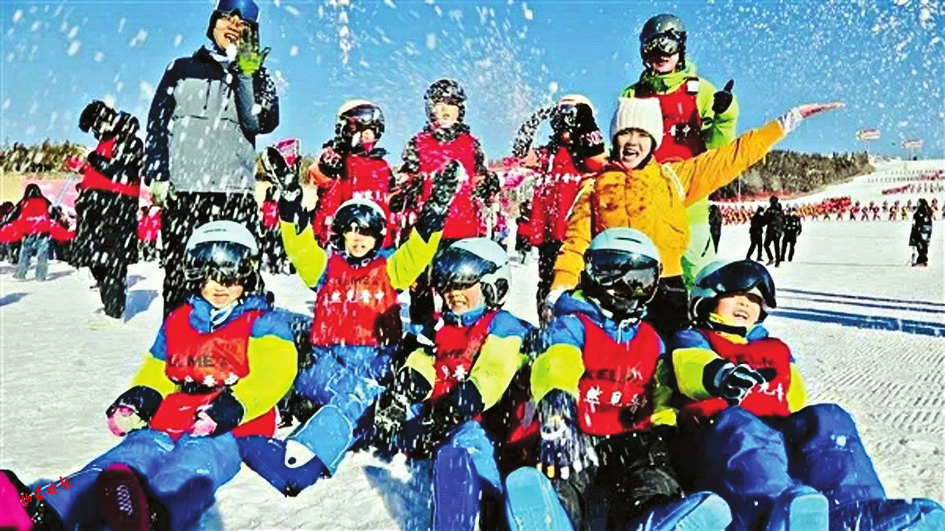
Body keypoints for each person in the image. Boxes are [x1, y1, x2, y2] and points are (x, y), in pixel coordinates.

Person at [0, 220, 298, 531]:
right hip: (174, 413)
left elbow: (275, 374)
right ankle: (44, 506)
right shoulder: (180, 320)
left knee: (192, 467)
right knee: (125, 457)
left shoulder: (264, 323)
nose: (219, 285)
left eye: (231, 275)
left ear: (248, 273)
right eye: (209, 274)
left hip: (231, 428)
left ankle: (154, 514)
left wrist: (235, 406)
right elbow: (157, 369)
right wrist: (141, 397)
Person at [237, 156, 461, 496]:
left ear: (378, 236)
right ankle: (301, 459)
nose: (357, 239)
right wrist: (292, 200)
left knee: (377, 401)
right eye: (351, 231)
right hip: (325, 362)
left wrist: (436, 209)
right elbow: (299, 245)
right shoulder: (326, 269)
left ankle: (402, 433)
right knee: (361, 397)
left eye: (366, 232)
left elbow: (418, 249)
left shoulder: (392, 269)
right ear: (339, 235)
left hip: (376, 361)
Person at [668, 259, 945, 530]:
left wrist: (805, 430)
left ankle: (853, 511)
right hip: (716, 439)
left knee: (828, 418)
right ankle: (769, 513)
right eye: (735, 295)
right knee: (743, 425)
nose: (745, 304)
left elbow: (794, 399)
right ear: (705, 299)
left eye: (754, 300)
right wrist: (719, 375)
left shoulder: (775, 349)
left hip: (771, 434)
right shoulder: (695, 338)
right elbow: (690, 366)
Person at [548, 97, 842, 339]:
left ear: (654, 141)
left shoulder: (673, 178)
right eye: (625, 133)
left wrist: (786, 122)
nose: (632, 142)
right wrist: (559, 287)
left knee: (667, 368)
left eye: (642, 134)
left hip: (665, 292)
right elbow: (575, 244)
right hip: (610, 292)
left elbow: (732, 157)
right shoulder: (595, 186)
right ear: (614, 137)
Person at [505, 228, 731, 531]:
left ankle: (654, 519)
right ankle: (552, 518)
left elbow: (661, 390)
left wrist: (664, 427)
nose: (624, 288)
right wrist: (558, 408)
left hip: (632, 436)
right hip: (577, 430)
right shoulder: (573, 326)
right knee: (564, 472)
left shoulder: (651, 339)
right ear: (590, 274)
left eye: (640, 280)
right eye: (610, 274)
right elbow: (557, 363)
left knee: (651, 476)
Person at [369, 238, 536, 531]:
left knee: (465, 447)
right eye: (447, 285)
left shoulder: (502, 327)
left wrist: (460, 403)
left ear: (492, 286)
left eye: (463, 284)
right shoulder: (444, 328)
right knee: (418, 432)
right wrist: (404, 390)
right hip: (446, 420)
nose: (453, 293)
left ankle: (488, 506)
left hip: (491, 425)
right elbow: (426, 361)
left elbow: (494, 371)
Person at [145, 0, 279, 319]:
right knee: (181, 278)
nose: (233, 26)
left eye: (243, 24)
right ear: (213, 22)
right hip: (185, 193)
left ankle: (242, 343)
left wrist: (247, 74)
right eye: (227, 18)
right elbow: (157, 123)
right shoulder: (180, 69)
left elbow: (260, 123)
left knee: (240, 279)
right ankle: (176, 344)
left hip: (235, 195)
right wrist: (158, 173)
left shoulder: (259, 77)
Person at [621, 13, 739, 290]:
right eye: (654, 47)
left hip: (690, 204)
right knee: (642, 280)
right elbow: (621, 150)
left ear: (681, 49)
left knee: (698, 278)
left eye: (669, 46)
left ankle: (699, 316)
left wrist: (725, 116)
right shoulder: (632, 95)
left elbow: (717, 150)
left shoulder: (701, 91)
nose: (662, 55)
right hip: (644, 205)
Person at [391, 78, 501, 328]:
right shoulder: (419, 142)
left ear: (460, 110)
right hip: (426, 231)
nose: (444, 110)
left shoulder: (470, 144)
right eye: (438, 105)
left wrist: (488, 184)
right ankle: (422, 333)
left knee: (457, 290)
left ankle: (457, 334)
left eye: (450, 105)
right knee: (421, 289)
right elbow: (404, 178)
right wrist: (409, 187)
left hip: (462, 232)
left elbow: (479, 178)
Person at [511, 94, 607, 314]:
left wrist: (587, 124)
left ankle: (577, 325)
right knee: (547, 285)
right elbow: (520, 153)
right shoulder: (549, 155)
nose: (565, 122)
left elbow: (598, 160)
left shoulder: (587, 156)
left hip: (577, 236)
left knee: (577, 287)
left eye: (572, 116)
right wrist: (534, 121)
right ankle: (547, 325)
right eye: (560, 116)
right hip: (549, 236)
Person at [71, 106, 144, 319]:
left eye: (95, 126)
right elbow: (105, 170)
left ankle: (114, 311)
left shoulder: (129, 140)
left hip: (114, 208)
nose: (95, 131)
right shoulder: (106, 140)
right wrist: (84, 168)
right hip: (95, 207)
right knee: (95, 260)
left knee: (112, 262)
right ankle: (110, 305)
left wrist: (93, 158)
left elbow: (123, 172)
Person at [305, 100, 396, 247]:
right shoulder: (338, 159)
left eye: (371, 130)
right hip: (343, 239)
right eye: (359, 129)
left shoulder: (382, 166)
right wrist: (327, 170)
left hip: (378, 242)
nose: (366, 135)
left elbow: (390, 202)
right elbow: (325, 193)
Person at [909, 198, 933, 266]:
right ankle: (922, 258)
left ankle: (923, 259)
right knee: (922, 245)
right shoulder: (926, 210)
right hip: (925, 230)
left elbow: (919, 218)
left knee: (921, 244)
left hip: (921, 230)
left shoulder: (923, 211)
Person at [763, 196, 784, 267]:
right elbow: (783, 220)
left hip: (771, 230)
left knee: (766, 245)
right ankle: (777, 261)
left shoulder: (769, 210)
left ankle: (771, 258)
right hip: (778, 230)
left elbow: (765, 220)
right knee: (777, 246)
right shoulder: (780, 210)